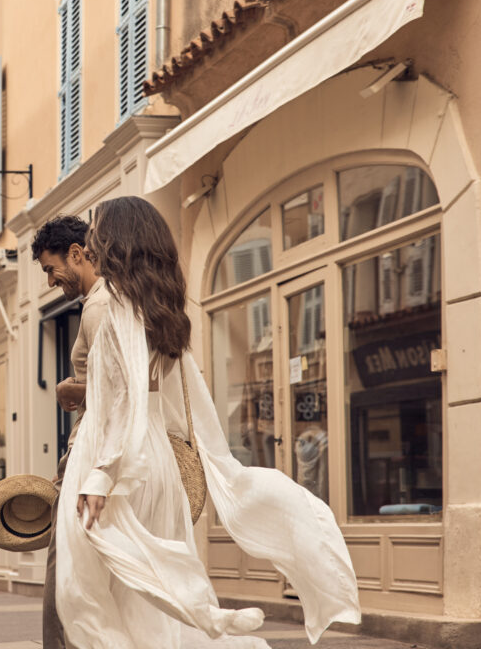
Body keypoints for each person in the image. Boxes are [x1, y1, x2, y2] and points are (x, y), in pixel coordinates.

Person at [56, 196, 361, 648]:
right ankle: (204, 621)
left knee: (86, 597)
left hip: (117, 464)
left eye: (97, 229)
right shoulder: (160, 309)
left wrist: (100, 476)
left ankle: (207, 621)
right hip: (154, 462)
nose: (91, 238)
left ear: (117, 240)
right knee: (136, 602)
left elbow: (126, 400)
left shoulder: (118, 305)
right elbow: (187, 399)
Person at [32, 214, 108, 649]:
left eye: (50, 268)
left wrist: (71, 390)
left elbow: (122, 391)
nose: (49, 281)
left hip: (89, 457)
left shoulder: (98, 307)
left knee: (63, 582)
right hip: (91, 459)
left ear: (77, 254)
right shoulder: (100, 303)